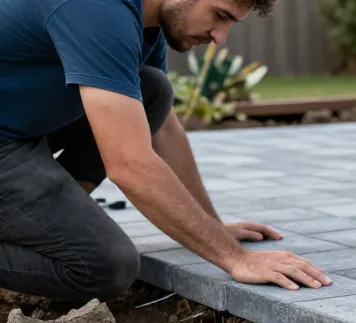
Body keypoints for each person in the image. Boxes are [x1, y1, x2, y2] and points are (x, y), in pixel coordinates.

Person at [0, 0, 332, 304]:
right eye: (220, 15)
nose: (220, 37)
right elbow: (129, 164)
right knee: (105, 264)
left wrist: (213, 226)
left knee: (153, 90)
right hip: (8, 142)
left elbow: (165, 130)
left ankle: (37, 221)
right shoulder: (96, 9)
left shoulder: (144, 21)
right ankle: (33, 221)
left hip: (18, 133)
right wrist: (236, 258)